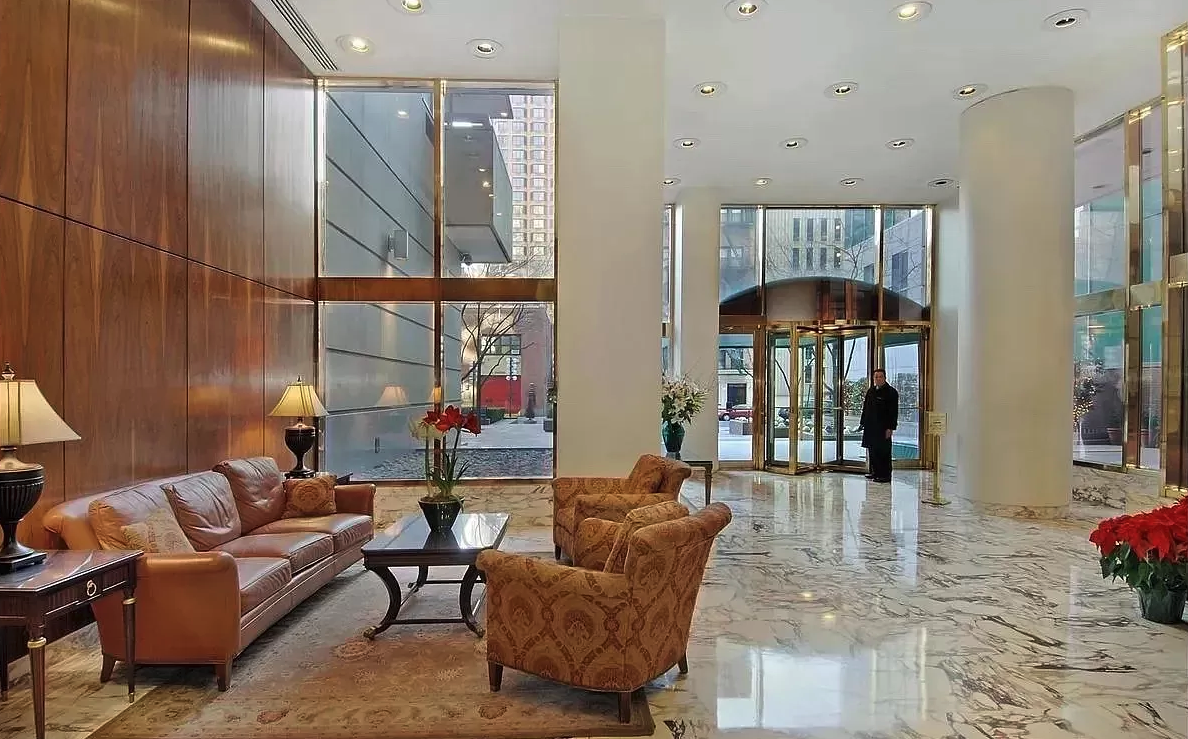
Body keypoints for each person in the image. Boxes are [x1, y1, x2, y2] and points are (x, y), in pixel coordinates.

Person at [859, 369, 898, 483]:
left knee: (883, 451)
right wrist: (863, 422)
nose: (878, 379)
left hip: (883, 428)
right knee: (872, 450)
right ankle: (875, 472)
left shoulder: (891, 392)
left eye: (880, 376)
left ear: (885, 378)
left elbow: (893, 412)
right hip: (871, 427)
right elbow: (866, 408)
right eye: (876, 377)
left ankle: (885, 475)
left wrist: (890, 428)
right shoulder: (871, 391)